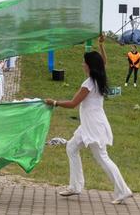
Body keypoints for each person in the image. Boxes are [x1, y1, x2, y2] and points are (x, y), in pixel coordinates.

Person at [44, 34, 132, 205]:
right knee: (71, 147)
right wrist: (101, 45)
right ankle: (75, 186)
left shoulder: (89, 84)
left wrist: (53, 102)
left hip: (93, 126)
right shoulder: (98, 77)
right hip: (90, 123)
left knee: (102, 158)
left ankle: (123, 190)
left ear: (90, 66)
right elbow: (103, 62)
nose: (82, 64)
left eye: (84, 62)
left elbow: (72, 104)